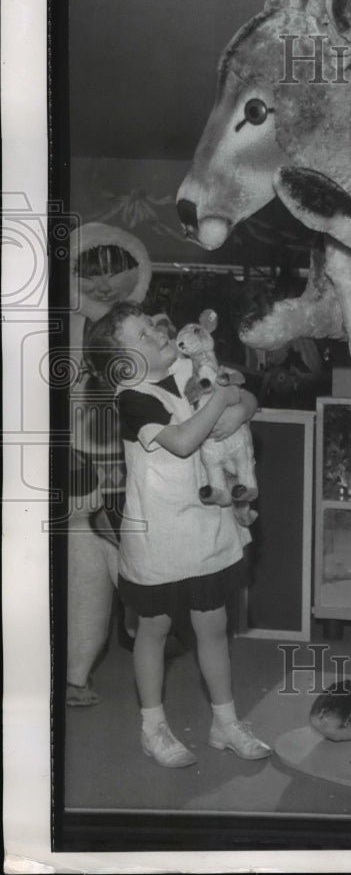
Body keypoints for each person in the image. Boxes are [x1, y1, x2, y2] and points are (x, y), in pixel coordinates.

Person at [85, 301, 271, 767]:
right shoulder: (133, 398)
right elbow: (185, 441)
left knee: (213, 626)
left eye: (152, 324)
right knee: (155, 629)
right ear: (126, 364)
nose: (158, 331)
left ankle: (225, 724)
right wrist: (224, 404)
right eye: (144, 336)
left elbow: (249, 397)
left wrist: (239, 405)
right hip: (161, 537)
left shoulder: (193, 364)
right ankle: (154, 728)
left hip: (207, 526)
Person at [67, 223, 153, 706]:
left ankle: (150, 662)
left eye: (112, 271)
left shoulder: (144, 327)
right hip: (80, 474)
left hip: (135, 476)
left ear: (136, 271)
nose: (100, 283)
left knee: (139, 580)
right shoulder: (63, 323)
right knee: (85, 583)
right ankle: (76, 675)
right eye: (87, 270)